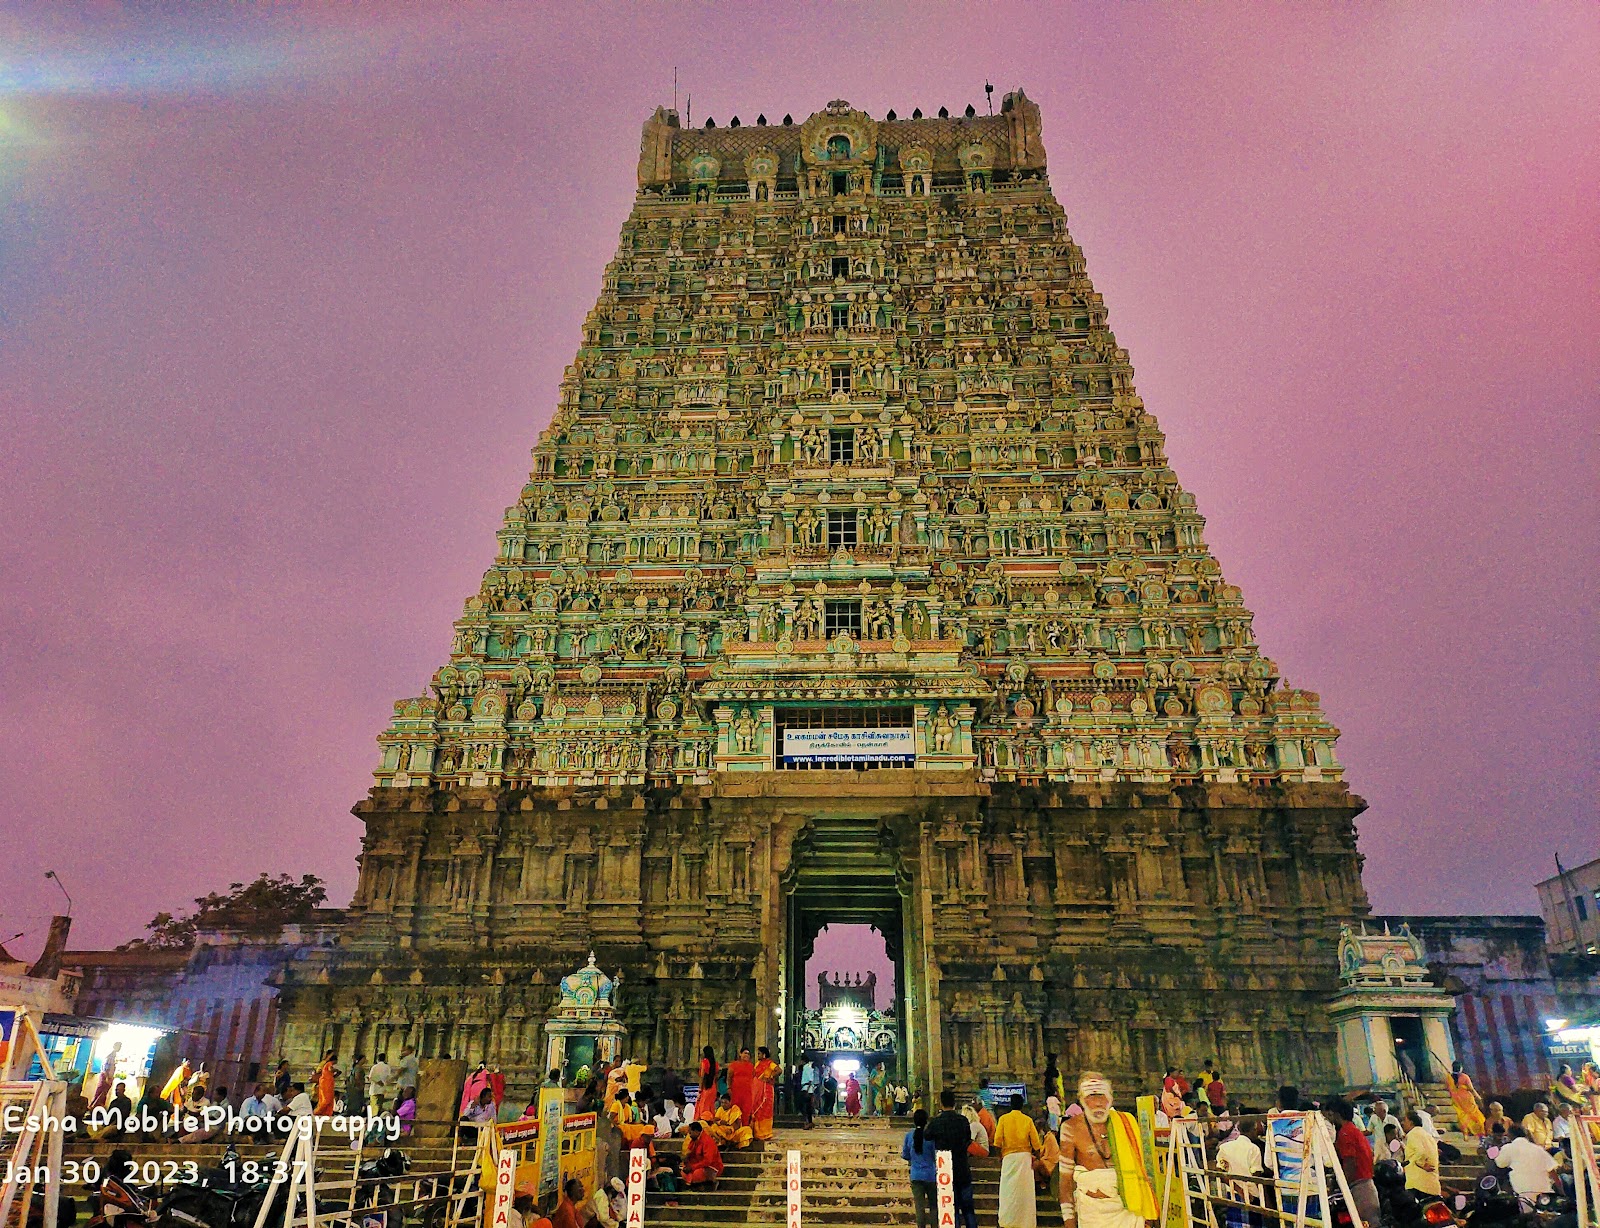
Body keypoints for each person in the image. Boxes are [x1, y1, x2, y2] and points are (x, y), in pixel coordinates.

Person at [1058, 1073, 1157, 1228]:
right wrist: (1069, 1221)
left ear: (1111, 1098)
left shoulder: (1126, 1123)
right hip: (1093, 1215)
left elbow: (1143, 1170)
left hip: (1130, 1213)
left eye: (1102, 1096)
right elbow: (1065, 1181)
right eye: (1091, 1097)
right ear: (1081, 1099)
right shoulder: (1070, 1129)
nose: (1098, 1103)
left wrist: (1148, 1216)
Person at [1323, 1098, 1380, 1228]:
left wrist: (1342, 1187)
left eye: (1330, 1116)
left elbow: (1349, 1161)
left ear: (1337, 1114)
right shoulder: (1352, 1130)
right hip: (1365, 1183)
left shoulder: (1346, 1133)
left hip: (1360, 1186)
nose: (1330, 1120)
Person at [927, 1088, 979, 1228]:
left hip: (946, 1171)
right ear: (954, 1103)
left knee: (951, 1209)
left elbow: (927, 1135)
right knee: (968, 1210)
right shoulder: (963, 1121)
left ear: (940, 1104)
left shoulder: (936, 1122)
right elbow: (968, 1139)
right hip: (962, 1168)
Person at [993, 1092, 1042, 1228]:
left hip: (1008, 1158)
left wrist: (1000, 1157)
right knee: (1025, 1192)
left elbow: (997, 1143)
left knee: (1007, 1192)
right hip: (1024, 1159)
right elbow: (1036, 1145)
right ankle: (1026, 1223)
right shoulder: (1027, 1120)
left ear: (1010, 1105)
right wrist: (1038, 1158)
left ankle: (1007, 1222)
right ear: (1022, 1105)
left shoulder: (1003, 1119)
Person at [1215, 1117, 1266, 1228]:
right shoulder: (1253, 1148)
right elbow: (1256, 1176)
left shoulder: (1225, 1148)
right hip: (1252, 1195)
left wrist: (1239, 1190)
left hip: (1233, 1193)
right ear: (1253, 1130)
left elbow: (1220, 1172)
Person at [1494, 1125, 1561, 1205]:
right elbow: (1552, 1171)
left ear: (1510, 1136)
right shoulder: (1538, 1149)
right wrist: (1561, 1192)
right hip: (1545, 1194)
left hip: (1522, 1193)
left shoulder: (1508, 1148)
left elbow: (1500, 1164)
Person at [903, 1108, 938, 1228]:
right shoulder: (931, 1137)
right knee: (934, 1206)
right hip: (931, 1175)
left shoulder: (909, 1136)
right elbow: (935, 1155)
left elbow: (905, 1155)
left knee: (919, 1207)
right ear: (926, 1121)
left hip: (916, 1175)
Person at [1402, 1109, 1440, 1197]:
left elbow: (1421, 1151)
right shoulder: (1427, 1135)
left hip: (1417, 1184)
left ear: (1411, 1123)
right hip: (1431, 1185)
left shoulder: (1413, 1134)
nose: (1403, 1123)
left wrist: (1421, 1163)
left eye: (1405, 1121)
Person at [1445, 1062, 1486, 1137]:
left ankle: (1466, 1131)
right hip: (1467, 1099)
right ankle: (1477, 1131)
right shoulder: (1464, 1076)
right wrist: (1478, 1098)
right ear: (1460, 1068)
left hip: (1456, 1099)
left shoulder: (1448, 1077)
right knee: (1474, 1114)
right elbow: (1471, 1089)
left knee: (1463, 1115)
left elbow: (1449, 1089)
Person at [681, 1121, 724, 1188]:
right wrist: (686, 1159)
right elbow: (690, 1154)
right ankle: (696, 1184)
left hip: (711, 1167)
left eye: (690, 1133)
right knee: (683, 1172)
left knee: (697, 1174)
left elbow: (707, 1161)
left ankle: (708, 1183)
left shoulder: (707, 1141)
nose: (689, 1135)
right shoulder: (693, 1140)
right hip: (698, 1165)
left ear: (696, 1132)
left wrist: (692, 1167)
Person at [752, 1046, 779, 1140]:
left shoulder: (770, 1063)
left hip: (767, 1090)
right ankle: (758, 1133)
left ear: (764, 1054)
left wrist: (770, 1076)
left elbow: (779, 1070)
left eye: (759, 1053)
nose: (758, 1055)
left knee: (765, 1110)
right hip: (757, 1089)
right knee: (757, 1110)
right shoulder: (757, 1064)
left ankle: (766, 1133)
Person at [727, 1048, 756, 1123]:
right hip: (736, 1091)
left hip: (747, 1092)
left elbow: (753, 1077)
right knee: (735, 1110)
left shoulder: (751, 1066)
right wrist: (729, 1087)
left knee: (746, 1111)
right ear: (740, 1054)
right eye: (745, 1053)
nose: (746, 1055)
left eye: (748, 1054)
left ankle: (745, 1128)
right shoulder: (734, 1065)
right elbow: (729, 1077)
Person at [695, 1047, 718, 1122]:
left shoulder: (704, 1062)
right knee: (711, 1106)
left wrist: (700, 1089)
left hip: (706, 1088)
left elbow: (702, 1076)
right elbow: (716, 1076)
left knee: (703, 1107)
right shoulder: (715, 1063)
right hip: (713, 1087)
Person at [367, 1052, 394, 1117]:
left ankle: (373, 1119)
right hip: (382, 1089)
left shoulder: (374, 1067)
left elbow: (371, 1077)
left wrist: (378, 1081)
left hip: (374, 1089)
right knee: (379, 1105)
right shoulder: (387, 1067)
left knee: (373, 1106)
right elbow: (389, 1078)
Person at [313, 1050, 337, 1115]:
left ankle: (326, 1113)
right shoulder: (329, 1064)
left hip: (327, 1084)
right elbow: (330, 1069)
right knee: (326, 1100)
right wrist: (336, 1070)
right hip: (325, 1084)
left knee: (328, 1100)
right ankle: (317, 1112)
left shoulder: (326, 1064)